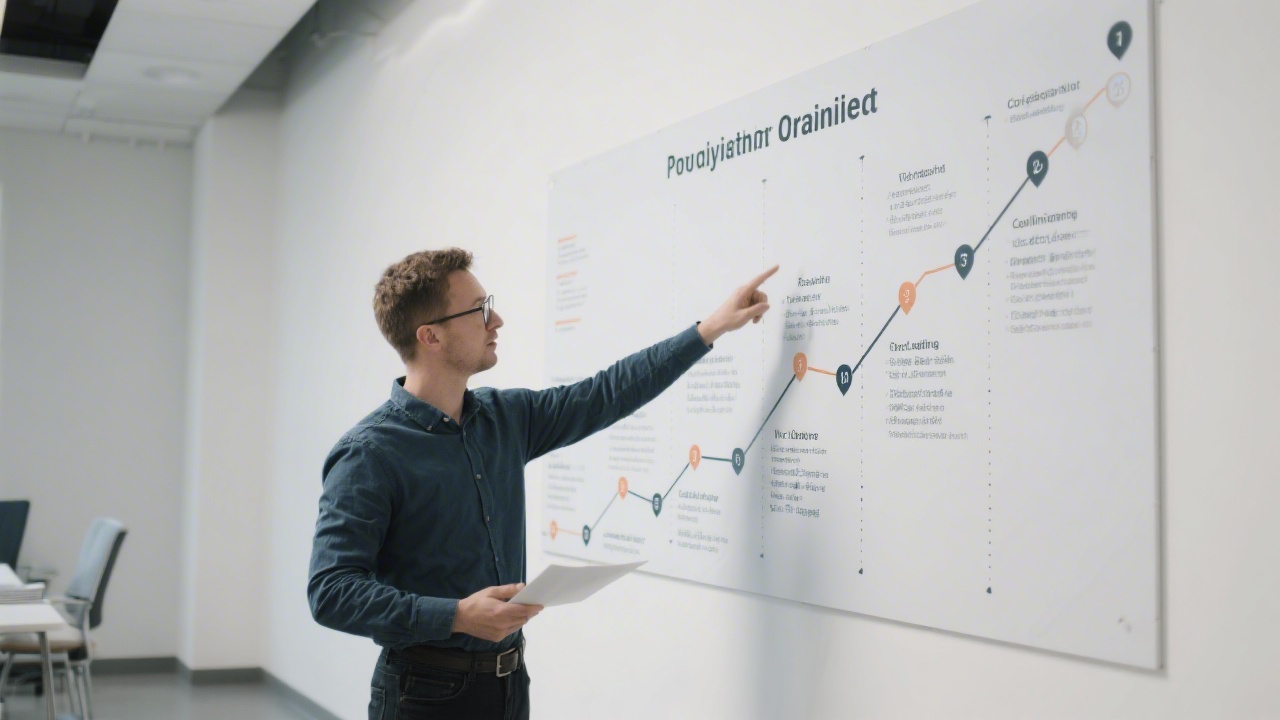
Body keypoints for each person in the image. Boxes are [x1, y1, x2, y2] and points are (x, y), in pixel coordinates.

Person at [308, 247, 777, 719]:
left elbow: (605, 393)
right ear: (429, 336)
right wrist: (455, 615)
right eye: (480, 310)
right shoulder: (369, 453)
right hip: (422, 694)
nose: (498, 321)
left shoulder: (505, 417)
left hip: (509, 683)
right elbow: (331, 590)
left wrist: (709, 329)